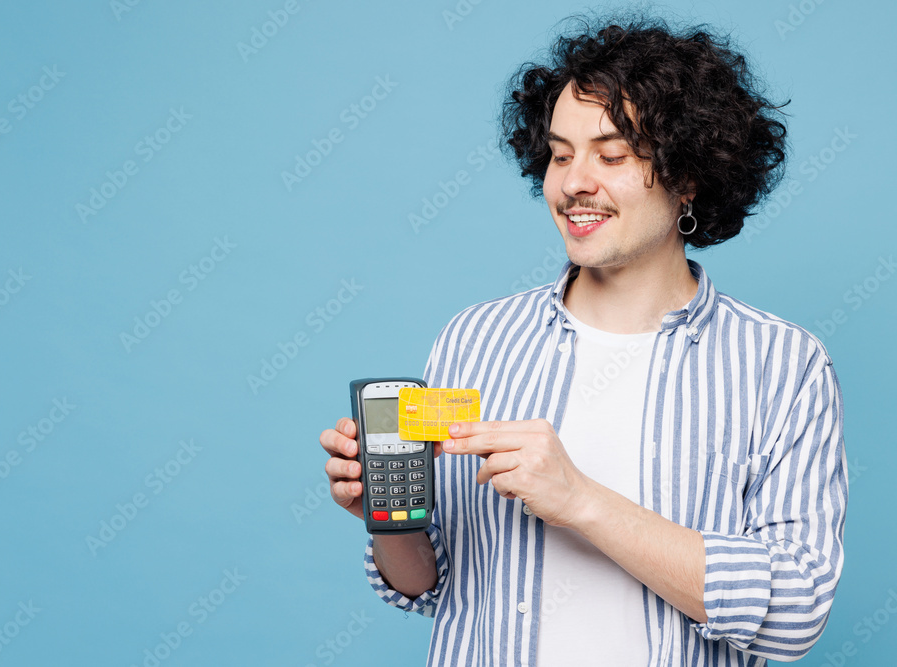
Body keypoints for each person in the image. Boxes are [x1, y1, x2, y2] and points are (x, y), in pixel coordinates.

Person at [319, 11, 847, 666]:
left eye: (612, 154)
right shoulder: (474, 340)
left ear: (688, 175)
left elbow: (795, 612)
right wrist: (388, 518)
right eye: (561, 155)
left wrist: (581, 499)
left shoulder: (783, 366)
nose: (573, 183)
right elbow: (434, 586)